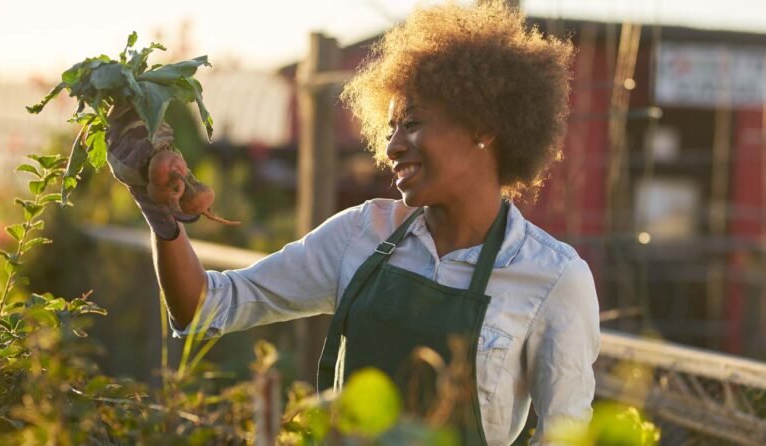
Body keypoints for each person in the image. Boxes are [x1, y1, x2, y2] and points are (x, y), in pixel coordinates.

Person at [106, 1, 599, 444]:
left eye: (412, 123)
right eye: (388, 130)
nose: (392, 147)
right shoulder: (362, 234)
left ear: (484, 126)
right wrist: (159, 211)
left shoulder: (555, 279)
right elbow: (205, 309)